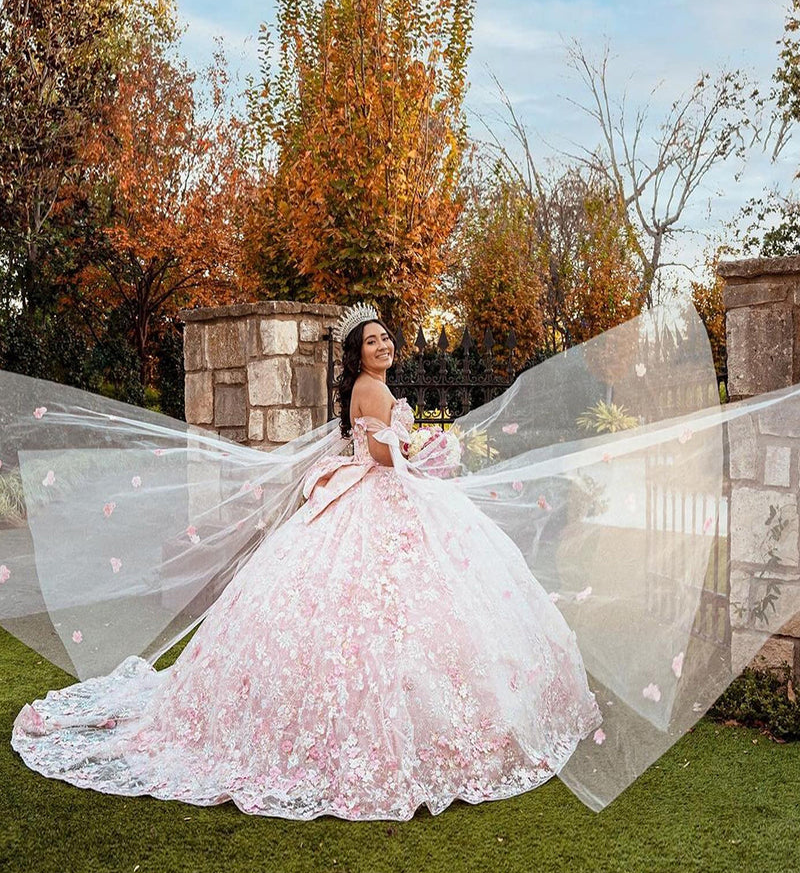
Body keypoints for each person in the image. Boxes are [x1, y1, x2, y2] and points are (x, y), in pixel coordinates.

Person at [8, 303, 602, 822]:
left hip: (380, 493)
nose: (384, 345)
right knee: (384, 606)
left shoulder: (373, 387)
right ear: (357, 354)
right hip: (378, 493)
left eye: (387, 337)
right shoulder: (370, 389)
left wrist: (415, 449)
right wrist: (425, 450)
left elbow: (376, 447)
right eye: (373, 341)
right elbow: (377, 452)